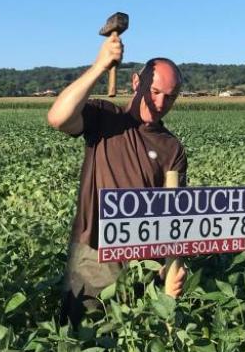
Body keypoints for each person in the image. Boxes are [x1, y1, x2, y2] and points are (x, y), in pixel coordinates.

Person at [47, 32, 188, 325]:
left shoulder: (171, 147)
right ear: (137, 82)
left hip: (144, 262)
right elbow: (58, 117)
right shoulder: (104, 118)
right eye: (156, 91)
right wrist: (100, 65)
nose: (161, 102)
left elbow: (174, 216)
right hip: (96, 255)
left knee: (133, 344)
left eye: (170, 96)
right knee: (83, 340)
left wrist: (171, 266)